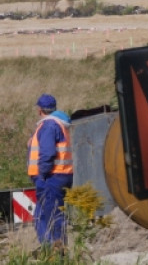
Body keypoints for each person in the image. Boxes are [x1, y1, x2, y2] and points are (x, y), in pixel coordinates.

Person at [27, 94, 73, 251]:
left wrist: (42, 175)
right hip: (58, 176)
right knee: (40, 217)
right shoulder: (57, 124)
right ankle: (49, 249)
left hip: (51, 177)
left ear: (40, 110)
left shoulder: (49, 125)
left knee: (53, 217)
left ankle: (58, 251)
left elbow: (47, 153)